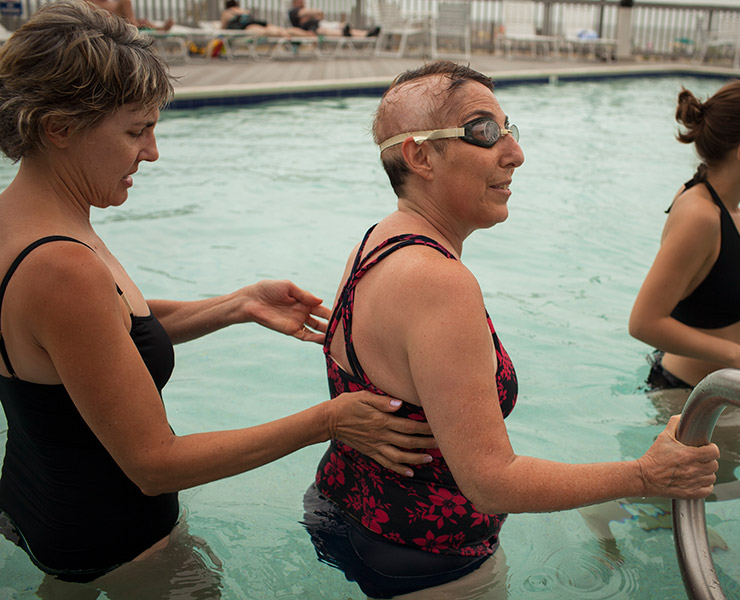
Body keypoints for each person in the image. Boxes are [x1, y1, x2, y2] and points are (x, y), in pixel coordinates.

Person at [0, 0, 434, 590]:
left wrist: (236, 305)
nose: (151, 152)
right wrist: (330, 420)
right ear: (58, 127)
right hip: (116, 541)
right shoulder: (61, 266)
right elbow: (154, 465)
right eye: (136, 130)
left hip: (38, 504)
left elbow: (94, 336)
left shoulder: (23, 226)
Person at [301, 61, 720, 599]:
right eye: (483, 132)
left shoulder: (377, 241)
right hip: (429, 561)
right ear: (419, 155)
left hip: (341, 511)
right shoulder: (439, 282)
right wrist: (645, 476)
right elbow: (489, 480)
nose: (514, 153)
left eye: (507, 129)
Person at [629, 78, 740, 390]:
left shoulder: (727, 206)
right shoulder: (700, 216)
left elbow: (712, 289)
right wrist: (734, 354)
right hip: (688, 399)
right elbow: (643, 322)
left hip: (717, 391)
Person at [220, 0, 313, 38]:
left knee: (264, 32)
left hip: (247, 26)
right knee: (281, 29)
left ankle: (282, 35)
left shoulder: (227, 12)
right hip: (255, 22)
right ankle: (307, 34)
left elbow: (223, 28)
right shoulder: (244, 10)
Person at [287, 0, 379, 38]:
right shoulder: (293, 11)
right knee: (326, 30)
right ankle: (362, 33)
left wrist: (317, 13)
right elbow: (308, 12)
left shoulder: (306, 14)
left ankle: (366, 33)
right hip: (316, 29)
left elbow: (320, 16)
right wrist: (316, 11)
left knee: (342, 26)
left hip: (321, 24)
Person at [88, 0, 174, 31]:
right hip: (113, 26)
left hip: (123, 26)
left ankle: (158, 28)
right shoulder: (87, 3)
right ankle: (158, 28)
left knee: (139, 22)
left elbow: (132, 22)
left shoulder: (117, 3)